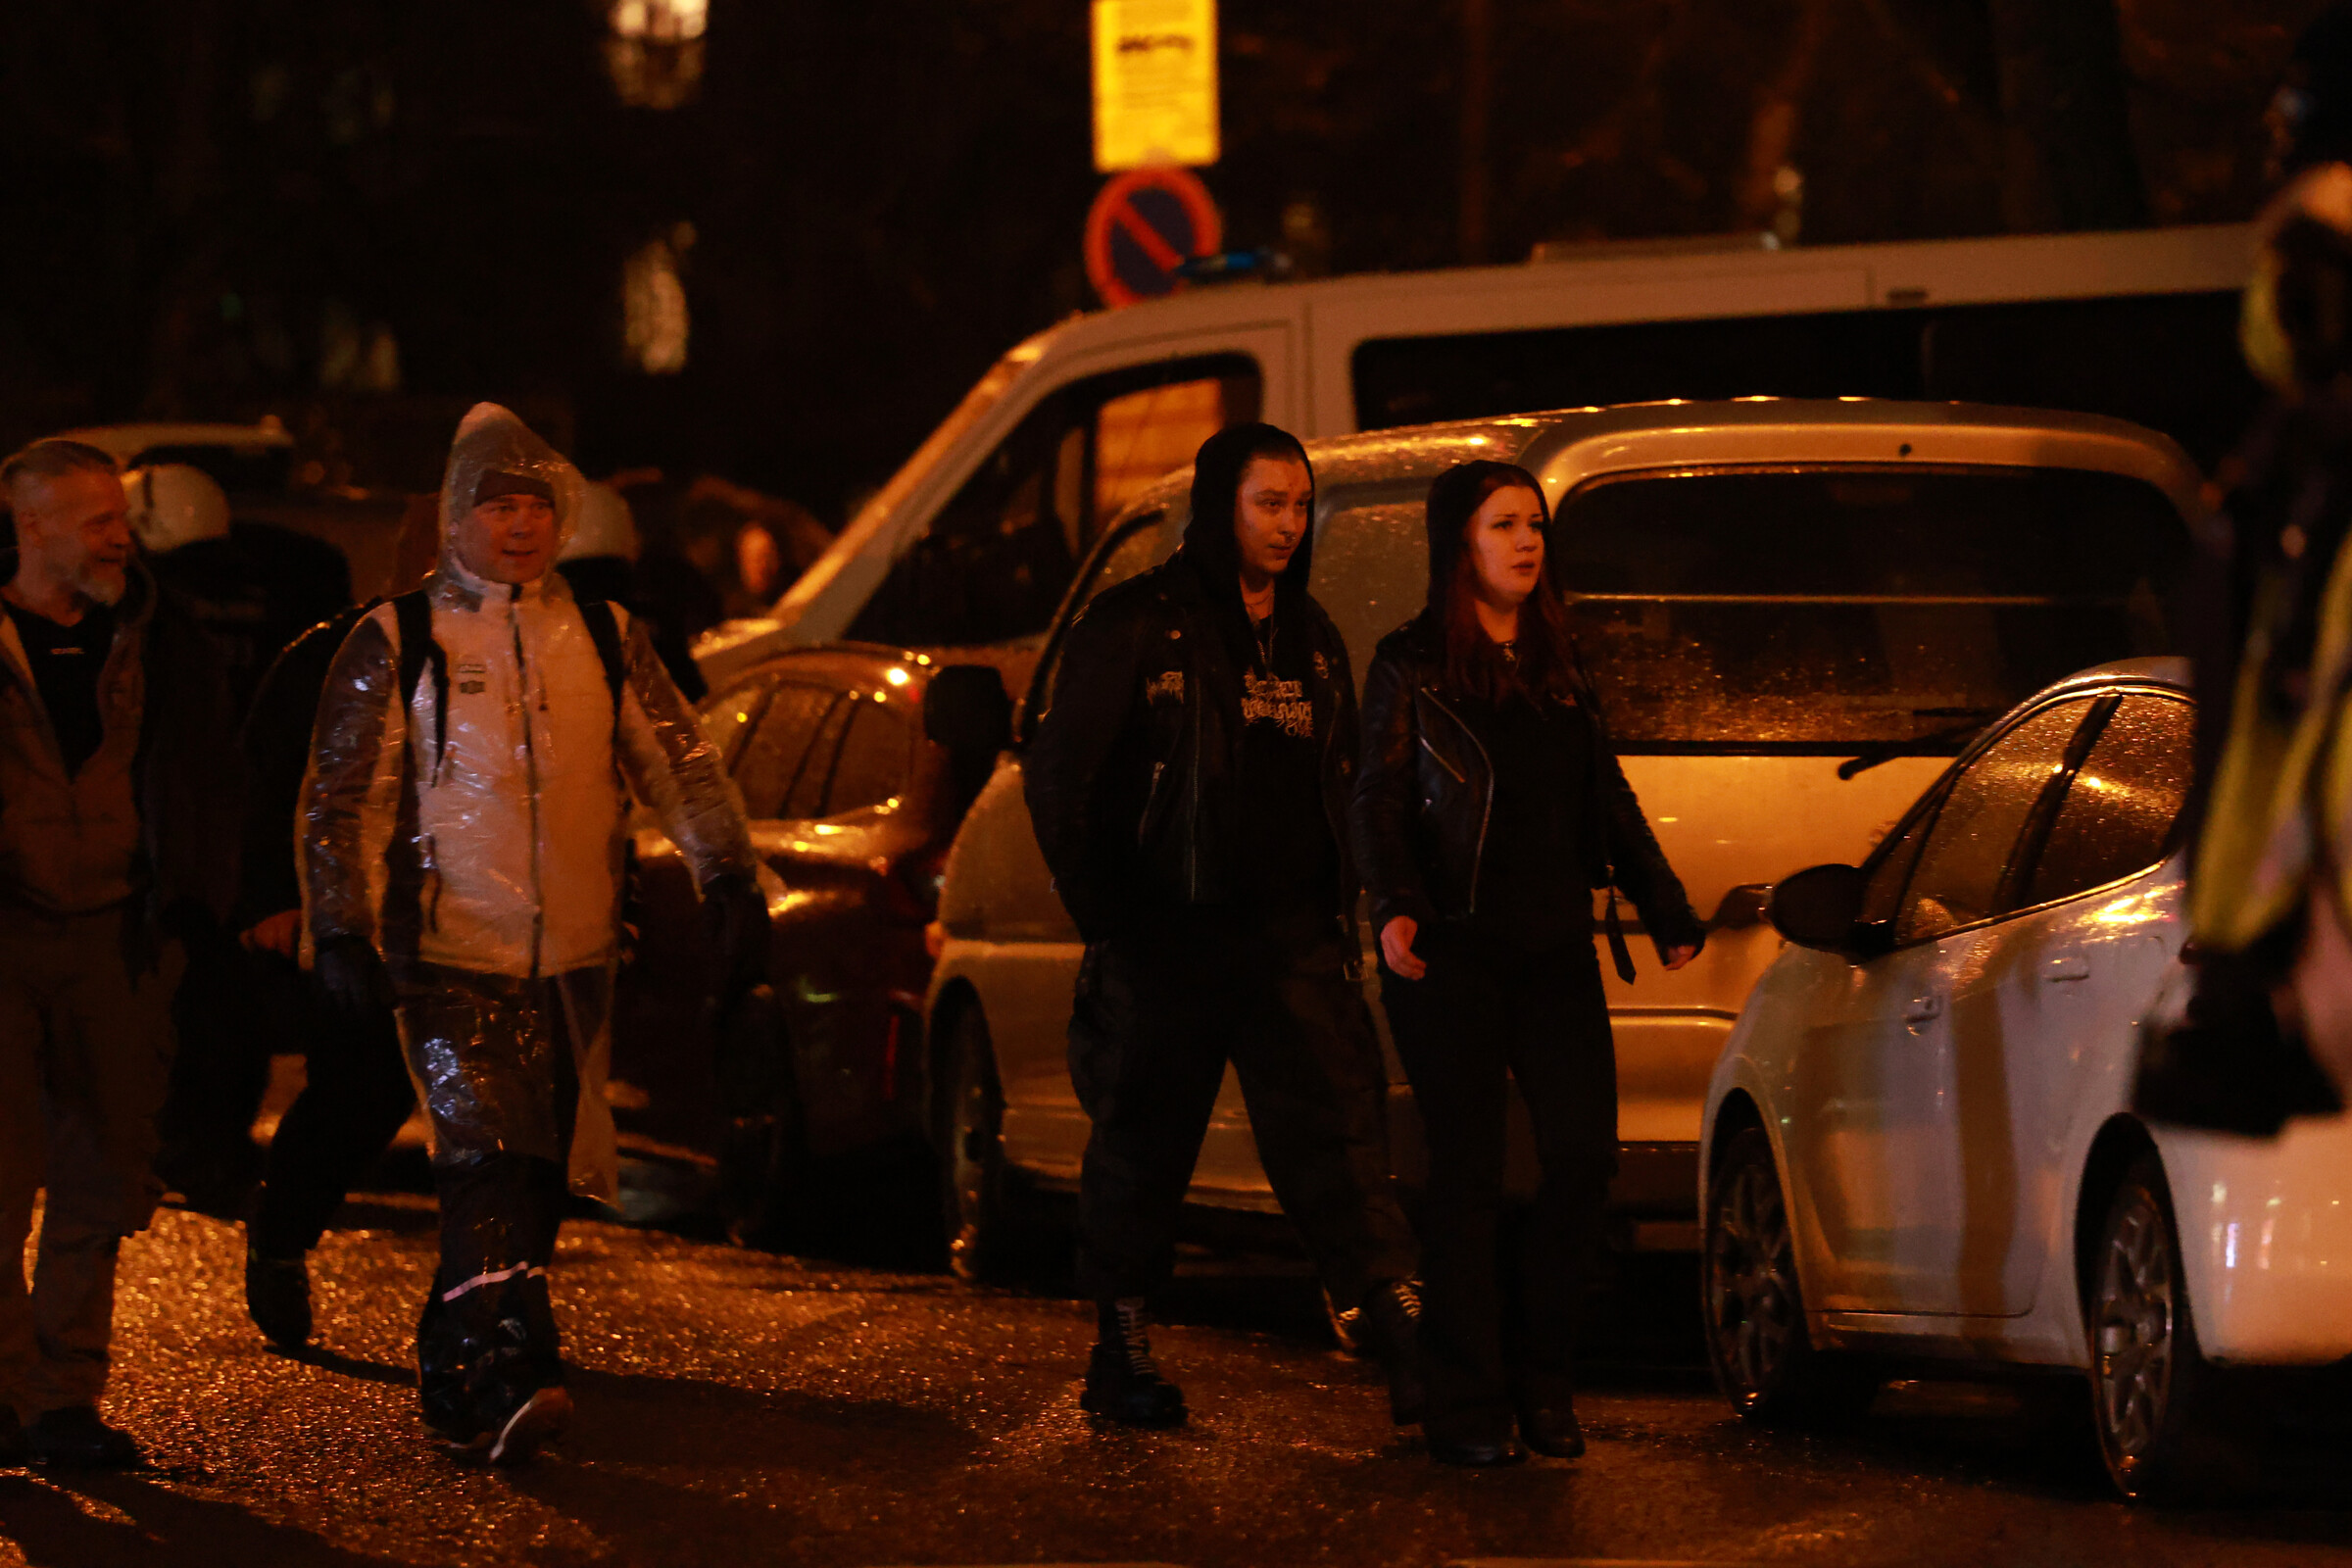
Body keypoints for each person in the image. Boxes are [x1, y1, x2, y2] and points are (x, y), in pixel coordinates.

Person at [302, 404, 764, 1464]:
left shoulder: (603, 638)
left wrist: (727, 874)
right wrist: (341, 927)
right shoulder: (400, 640)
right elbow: (345, 797)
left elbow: (679, 762)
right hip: (447, 950)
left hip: (574, 958)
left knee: (536, 1173)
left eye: (537, 507)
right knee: (490, 1157)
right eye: (497, 506)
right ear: (455, 519)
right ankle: (517, 1363)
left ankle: (455, 1366)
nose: (519, 526)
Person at [1024, 422, 1422, 1430]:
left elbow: (1344, 782)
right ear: (1219, 507)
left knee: (1339, 1139)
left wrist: (1348, 908)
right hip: (1169, 937)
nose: (1289, 525)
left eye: (1301, 505)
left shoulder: (1311, 635)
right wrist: (1114, 917)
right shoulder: (1138, 622)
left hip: (1289, 940)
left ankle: (1407, 1336)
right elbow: (1062, 777)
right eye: (1268, 503)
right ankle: (1122, 1345)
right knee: (1142, 1146)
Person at [1352, 461, 1702, 1467]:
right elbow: (1377, 798)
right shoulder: (1412, 662)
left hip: (1554, 947)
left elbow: (1608, 793)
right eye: (1504, 524)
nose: (1526, 542)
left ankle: (1545, 1379)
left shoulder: (1559, 657)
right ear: (1458, 543)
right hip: (1451, 949)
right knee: (1465, 1174)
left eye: (1535, 525)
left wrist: (1664, 903)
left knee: (1582, 1158)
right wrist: (1397, 907)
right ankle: (1467, 1401)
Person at [0, 439, 240, 1467]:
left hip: (119, 936)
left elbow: (209, 769)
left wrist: (195, 908)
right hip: (4, 937)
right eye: (96, 520)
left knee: (103, 1175)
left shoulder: (158, 634)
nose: (120, 538)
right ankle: (7, 1392)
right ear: (33, 526)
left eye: (121, 518)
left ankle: (61, 1398)